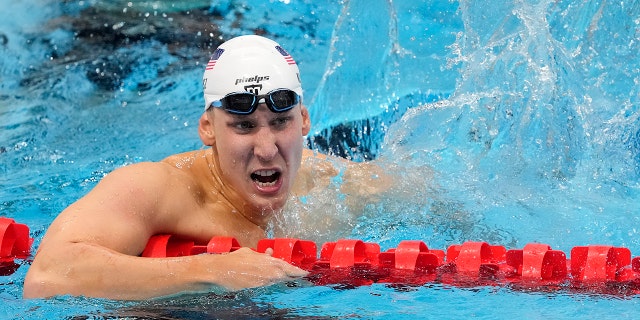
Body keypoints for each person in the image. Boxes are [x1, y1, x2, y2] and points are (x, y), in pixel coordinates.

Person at [23, 35, 390, 300]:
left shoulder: (335, 183)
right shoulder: (160, 187)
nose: (267, 149)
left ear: (305, 120)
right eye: (244, 126)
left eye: (281, 123)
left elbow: (432, 200)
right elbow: (47, 274)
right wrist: (211, 271)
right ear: (207, 129)